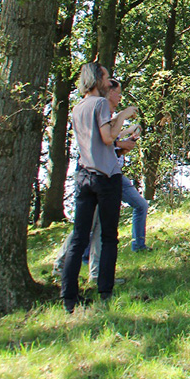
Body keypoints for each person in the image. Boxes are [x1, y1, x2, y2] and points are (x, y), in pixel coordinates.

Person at [60, 63, 136, 312]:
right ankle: (105, 291)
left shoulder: (78, 107)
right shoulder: (101, 104)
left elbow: (96, 140)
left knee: (79, 237)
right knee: (108, 236)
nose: (109, 82)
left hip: (83, 176)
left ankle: (69, 297)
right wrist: (122, 116)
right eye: (106, 77)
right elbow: (106, 138)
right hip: (105, 176)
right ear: (97, 79)